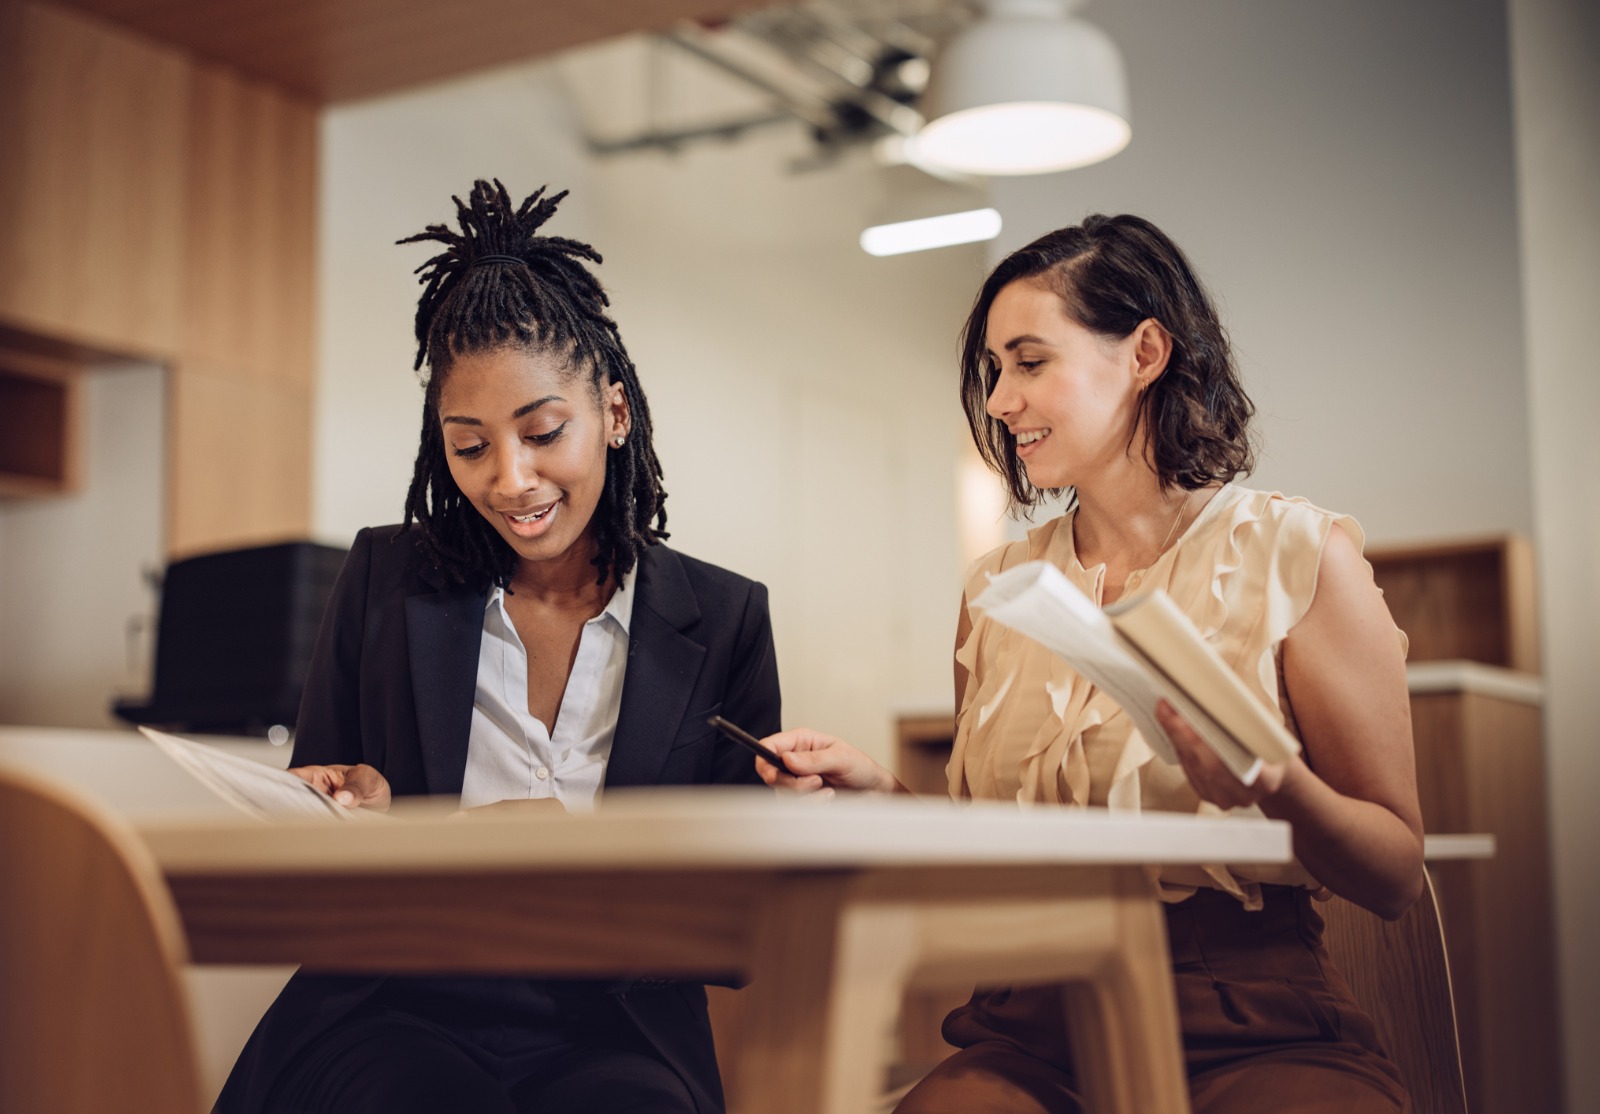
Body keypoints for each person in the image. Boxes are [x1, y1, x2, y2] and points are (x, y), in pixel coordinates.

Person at [756, 215, 1423, 1113]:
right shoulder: (1000, 583)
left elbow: (1392, 873)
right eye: (995, 370)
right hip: (1031, 1022)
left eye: (1030, 363)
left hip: (1248, 1014)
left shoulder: (1297, 555)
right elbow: (989, 860)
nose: (998, 400)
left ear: (1145, 352)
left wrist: (1273, 785)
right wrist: (880, 796)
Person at [215, 180, 781, 1114]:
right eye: (468, 446)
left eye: (543, 432)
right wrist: (361, 813)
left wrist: (593, 874)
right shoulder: (385, 581)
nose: (510, 480)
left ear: (615, 413)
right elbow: (316, 832)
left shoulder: (723, 618)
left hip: (617, 1024)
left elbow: (741, 930)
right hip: (393, 1005)